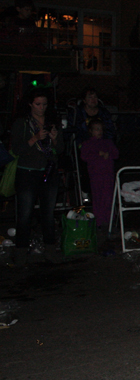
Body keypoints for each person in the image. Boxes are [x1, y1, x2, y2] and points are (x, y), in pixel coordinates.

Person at [11, 89, 65, 265]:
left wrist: (55, 139)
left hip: (49, 171)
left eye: (44, 104)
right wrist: (35, 138)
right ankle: (20, 252)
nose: (41, 108)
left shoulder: (52, 122)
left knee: (48, 213)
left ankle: (50, 250)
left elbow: (61, 149)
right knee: (25, 214)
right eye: (38, 104)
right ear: (30, 104)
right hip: (27, 172)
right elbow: (16, 149)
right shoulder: (22, 123)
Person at [80, 119, 119, 230]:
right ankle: (99, 220)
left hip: (108, 175)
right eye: (96, 129)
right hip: (95, 175)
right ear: (91, 131)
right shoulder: (88, 144)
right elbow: (84, 156)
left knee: (108, 197)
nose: (99, 131)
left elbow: (116, 154)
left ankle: (110, 219)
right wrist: (98, 154)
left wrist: (108, 154)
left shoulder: (107, 142)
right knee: (98, 197)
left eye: (101, 129)